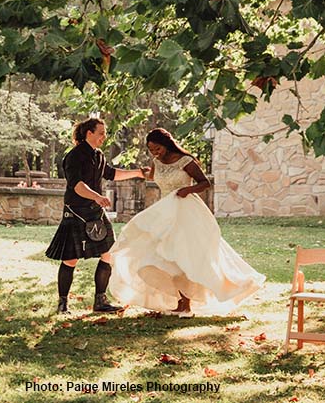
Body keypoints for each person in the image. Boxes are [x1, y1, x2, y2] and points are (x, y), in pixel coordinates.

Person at [108, 128, 265, 317]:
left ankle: (188, 304)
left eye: (157, 148)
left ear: (166, 144)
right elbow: (156, 177)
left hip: (186, 209)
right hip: (165, 211)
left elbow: (205, 183)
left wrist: (187, 190)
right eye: (150, 150)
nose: (154, 152)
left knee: (185, 253)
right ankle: (180, 302)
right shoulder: (157, 162)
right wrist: (146, 173)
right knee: (165, 255)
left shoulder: (185, 161)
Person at [45, 117, 148, 314]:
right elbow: (77, 186)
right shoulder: (73, 156)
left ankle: (100, 301)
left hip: (95, 212)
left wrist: (138, 173)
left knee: (108, 252)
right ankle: (62, 304)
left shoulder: (98, 155)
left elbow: (111, 173)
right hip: (76, 211)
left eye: (105, 133)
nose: (104, 136)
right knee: (71, 259)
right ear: (88, 133)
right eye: (101, 132)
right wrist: (97, 197)